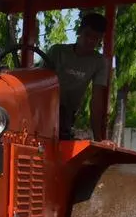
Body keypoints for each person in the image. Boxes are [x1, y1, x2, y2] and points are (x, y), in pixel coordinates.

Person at [41, 12, 109, 140]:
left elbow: (96, 101)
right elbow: (39, 82)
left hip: (66, 114)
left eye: (96, 38)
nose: (90, 41)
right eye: (87, 35)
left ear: (100, 39)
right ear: (79, 31)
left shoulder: (99, 62)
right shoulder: (57, 51)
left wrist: (98, 139)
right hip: (44, 108)